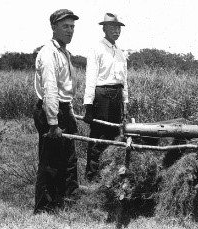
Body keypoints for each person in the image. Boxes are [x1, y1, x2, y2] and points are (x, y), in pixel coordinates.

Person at [33, 9, 80, 213]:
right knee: (51, 161)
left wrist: (68, 112)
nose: (70, 31)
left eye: (72, 27)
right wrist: (53, 123)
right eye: (65, 26)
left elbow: (65, 89)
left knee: (68, 159)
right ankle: (45, 207)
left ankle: (67, 202)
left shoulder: (64, 53)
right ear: (54, 27)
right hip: (50, 110)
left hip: (63, 108)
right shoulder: (49, 53)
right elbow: (50, 90)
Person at [83, 13, 129, 181]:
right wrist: (88, 104)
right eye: (112, 28)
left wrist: (125, 102)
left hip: (117, 95)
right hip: (102, 95)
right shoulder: (97, 49)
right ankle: (92, 176)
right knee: (99, 135)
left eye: (118, 28)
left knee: (115, 134)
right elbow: (91, 78)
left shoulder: (120, 53)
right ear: (104, 29)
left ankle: (108, 175)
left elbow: (124, 81)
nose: (116, 31)